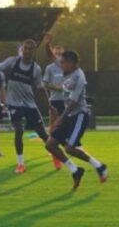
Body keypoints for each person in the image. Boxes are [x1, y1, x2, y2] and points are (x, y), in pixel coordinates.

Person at [0, 39, 61, 174]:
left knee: (43, 134)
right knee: (18, 130)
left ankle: (55, 154)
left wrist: (49, 106)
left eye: (30, 49)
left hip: (29, 104)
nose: (27, 51)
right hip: (14, 103)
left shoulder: (36, 68)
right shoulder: (12, 61)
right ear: (22, 50)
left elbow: (40, 88)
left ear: (34, 51)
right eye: (25, 48)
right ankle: (21, 164)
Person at [45, 50, 108, 190]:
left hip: (79, 115)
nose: (61, 65)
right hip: (69, 115)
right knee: (50, 144)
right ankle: (75, 170)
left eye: (63, 63)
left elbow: (73, 101)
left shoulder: (79, 76)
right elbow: (62, 88)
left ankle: (99, 166)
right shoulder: (68, 73)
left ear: (71, 63)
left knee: (70, 148)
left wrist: (60, 118)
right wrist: (47, 85)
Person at [42, 36, 65, 131]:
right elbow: (45, 83)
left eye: (60, 53)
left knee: (65, 121)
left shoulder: (67, 66)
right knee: (53, 121)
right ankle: (51, 141)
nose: (58, 55)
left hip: (67, 99)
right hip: (55, 99)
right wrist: (56, 87)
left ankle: (65, 141)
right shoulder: (50, 68)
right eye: (56, 53)